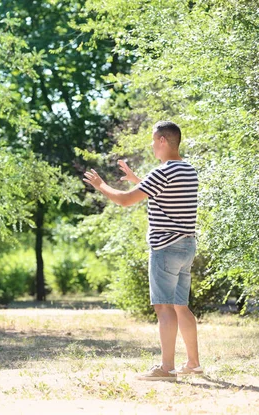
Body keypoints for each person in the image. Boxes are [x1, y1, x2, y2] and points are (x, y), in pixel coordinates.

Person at [83, 121, 202, 381]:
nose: (151, 145)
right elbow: (166, 195)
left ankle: (166, 368)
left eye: (153, 140)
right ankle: (193, 363)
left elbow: (125, 200)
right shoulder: (187, 170)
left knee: (164, 308)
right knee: (181, 306)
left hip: (165, 248)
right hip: (186, 245)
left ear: (162, 141)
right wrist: (138, 179)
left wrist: (100, 185)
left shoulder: (163, 172)